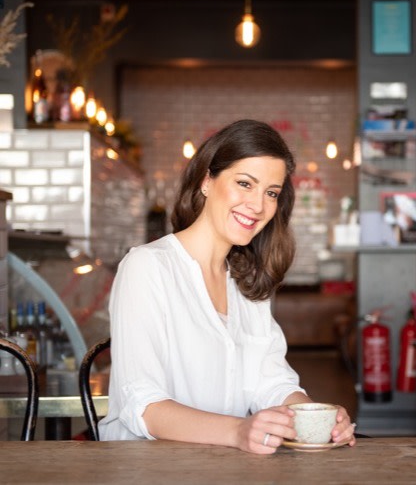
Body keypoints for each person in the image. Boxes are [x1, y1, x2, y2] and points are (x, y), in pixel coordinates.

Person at [99, 119, 356, 454]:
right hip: (147, 468)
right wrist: (238, 431)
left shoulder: (246, 280)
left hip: (223, 467)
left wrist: (315, 417)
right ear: (207, 180)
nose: (258, 205)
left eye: (271, 193)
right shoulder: (148, 267)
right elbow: (142, 405)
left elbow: (272, 382)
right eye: (245, 183)